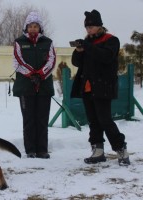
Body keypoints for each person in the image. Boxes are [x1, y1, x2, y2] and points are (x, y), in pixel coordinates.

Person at [70, 9, 130, 166]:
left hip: (103, 87)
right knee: (93, 121)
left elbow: (106, 57)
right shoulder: (87, 43)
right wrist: (78, 50)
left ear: (99, 26)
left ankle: (121, 149)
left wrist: (88, 47)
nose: (89, 29)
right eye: (87, 27)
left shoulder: (111, 40)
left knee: (105, 120)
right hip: (88, 87)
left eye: (92, 26)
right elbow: (77, 63)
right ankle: (98, 151)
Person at [12, 11, 56, 159]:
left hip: (44, 87)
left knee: (42, 119)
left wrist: (41, 74)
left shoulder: (48, 42)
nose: (33, 28)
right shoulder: (19, 42)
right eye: (30, 26)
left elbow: (51, 61)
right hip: (26, 86)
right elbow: (17, 62)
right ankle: (30, 150)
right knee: (29, 119)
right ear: (26, 27)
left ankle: (42, 149)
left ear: (40, 28)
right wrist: (32, 74)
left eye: (36, 26)